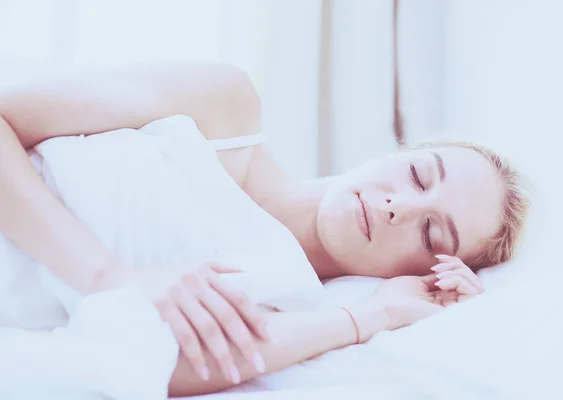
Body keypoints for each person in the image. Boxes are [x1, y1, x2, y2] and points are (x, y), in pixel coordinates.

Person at [0, 61, 529, 396]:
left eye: (432, 235)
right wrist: (107, 275)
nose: (399, 207)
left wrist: (380, 312)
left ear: (432, 268)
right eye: (416, 174)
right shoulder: (222, 105)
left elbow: (170, 367)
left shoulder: (294, 304)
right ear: (395, 152)